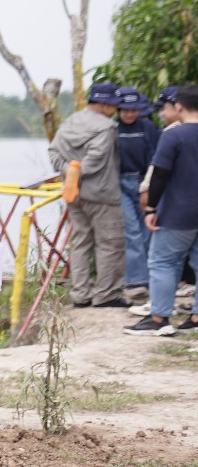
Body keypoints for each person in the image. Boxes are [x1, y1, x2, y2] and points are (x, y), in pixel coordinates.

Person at [48, 82, 127, 310]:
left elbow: (53, 153)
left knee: (80, 243)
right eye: (114, 105)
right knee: (110, 243)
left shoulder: (70, 122)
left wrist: (68, 172)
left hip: (73, 194)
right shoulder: (106, 127)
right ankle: (106, 294)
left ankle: (80, 294)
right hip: (102, 194)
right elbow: (95, 161)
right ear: (103, 104)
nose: (116, 110)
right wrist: (78, 169)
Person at [134, 85, 198, 336]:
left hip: (177, 213)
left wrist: (150, 207)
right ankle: (195, 318)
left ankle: (159, 318)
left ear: (179, 106)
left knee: (162, 262)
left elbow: (160, 173)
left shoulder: (174, 135)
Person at [114, 86, 161, 305]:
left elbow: (156, 160)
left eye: (133, 109)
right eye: (124, 109)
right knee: (131, 231)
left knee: (147, 232)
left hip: (145, 182)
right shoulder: (111, 129)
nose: (129, 114)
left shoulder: (148, 128)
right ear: (118, 109)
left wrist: (148, 188)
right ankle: (135, 282)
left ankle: (152, 279)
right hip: (119, 184)